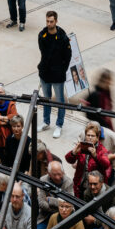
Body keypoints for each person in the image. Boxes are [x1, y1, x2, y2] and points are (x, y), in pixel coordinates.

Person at [38, 9, 72, 139]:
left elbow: (68, 56)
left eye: (51, 21)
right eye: (47, 21)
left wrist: (62, 69)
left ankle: (59, 124)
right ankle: (46, 121)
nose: (49, 24)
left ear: (56, 21)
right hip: (45, 72)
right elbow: (43, 53)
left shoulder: (62, 37)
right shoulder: (42, 35)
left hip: (57, 74)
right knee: (46, 98)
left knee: (59, 101)